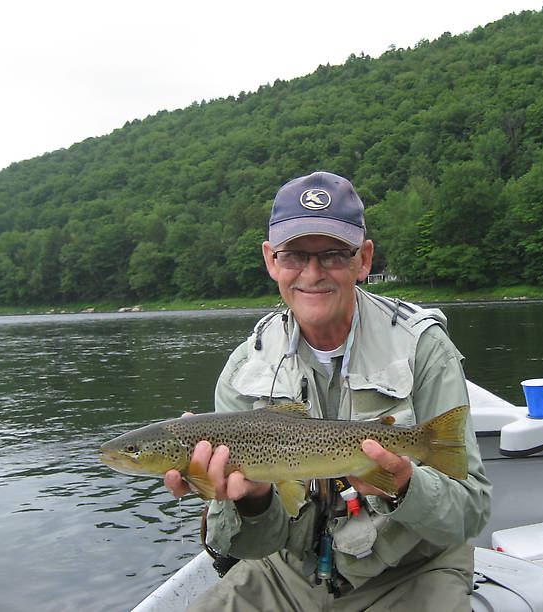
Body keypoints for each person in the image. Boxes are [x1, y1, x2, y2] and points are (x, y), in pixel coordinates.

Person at [164, 171, 492, 611]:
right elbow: (251, 546)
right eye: (295, 255)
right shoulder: (246, 368)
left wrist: (403, 484)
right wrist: (256, 498)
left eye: (334, 254)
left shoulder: (423, 348)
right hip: (286, 573)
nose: (313, 274)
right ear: (270, 260)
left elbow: (470, 512)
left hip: (412, 571)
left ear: (364, 259)